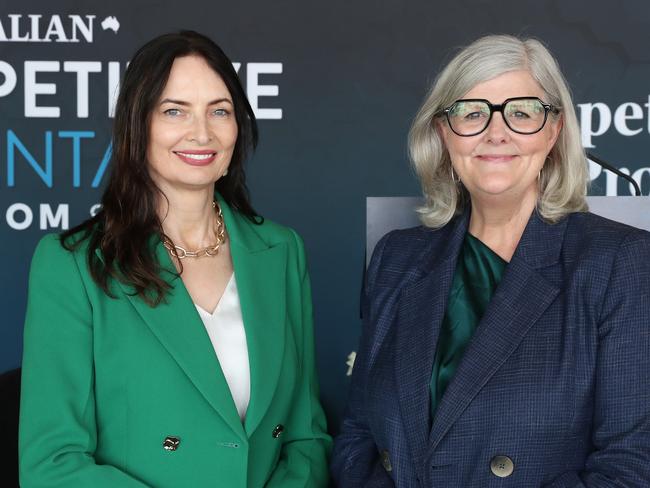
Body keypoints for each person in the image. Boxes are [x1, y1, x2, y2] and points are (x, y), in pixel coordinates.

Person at [331, 34, 650, 487]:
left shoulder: (620, 263)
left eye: (521, 112)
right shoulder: (395, 258)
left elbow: (630, 468)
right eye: (472, 113)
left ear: (554, 131)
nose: (495, 132)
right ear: (443, 132)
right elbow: (359, 436)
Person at [19, 31, 330, 487]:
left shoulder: (282, 252)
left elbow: (306, 439)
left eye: (219, 111)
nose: (202, 132)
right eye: (174, 110)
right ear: (136, 124)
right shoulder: (74, 265)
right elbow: (53, 463)